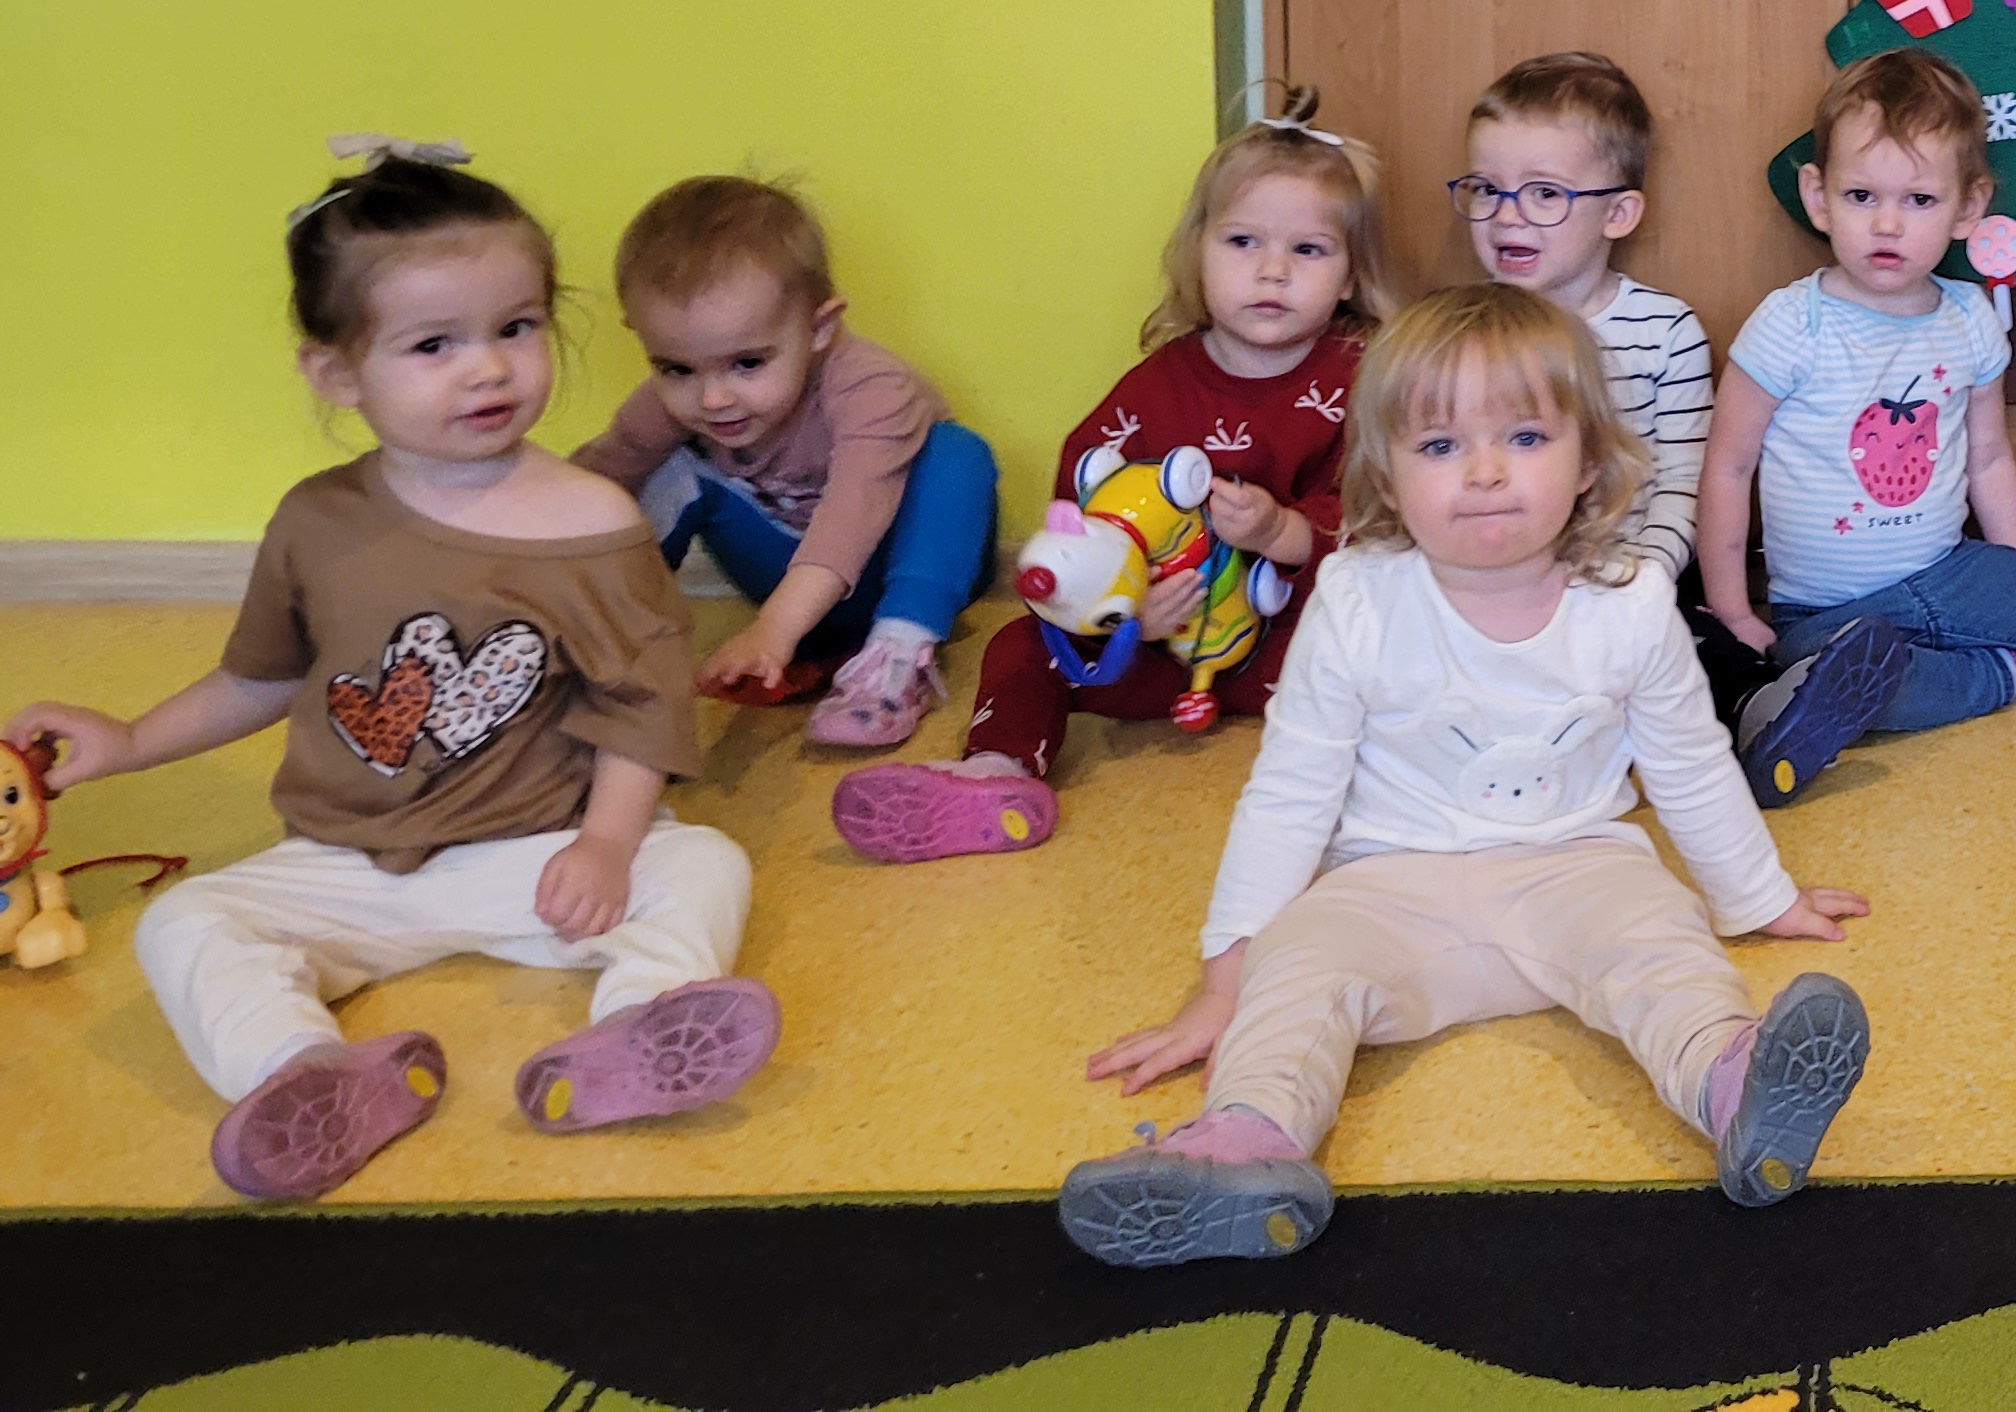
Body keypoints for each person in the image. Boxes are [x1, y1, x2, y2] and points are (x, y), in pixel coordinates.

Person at [7, 141, 775, 1200]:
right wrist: (132, 740)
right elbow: (266, 677)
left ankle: (637, 1031)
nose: (489, 368)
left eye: (517, 327)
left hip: (542, 850)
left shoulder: (592, 522)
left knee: (704, 866)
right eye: (433, 344)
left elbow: (640, 706)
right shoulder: (316, 522)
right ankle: (308, 1075)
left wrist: (605, 844)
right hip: (353, 863)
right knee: (186, 921)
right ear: (336, 372)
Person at [1061, 285, 1872, 1265]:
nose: (1486, 472)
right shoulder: (1359, 598)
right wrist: (1224, 976)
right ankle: (1245, 1146)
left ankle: (1736, 1088)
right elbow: (1291, 791)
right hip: (1386, 884)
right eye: (1442, 446)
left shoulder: (1629, 599)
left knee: (1663, 940)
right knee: (1300, 965)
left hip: (1576, 867)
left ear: (1589, 460)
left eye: (1525, 438)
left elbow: (1689, 760)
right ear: (1386, 475)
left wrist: (1759, 896)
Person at [830, 91, 1400, 861]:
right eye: (1242, 241)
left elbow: (1388, 513)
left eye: (1308, 250)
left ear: (1350, 275)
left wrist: (1286, 531)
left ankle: (1407, 787)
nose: (1272, 270)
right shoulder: (1157, 386)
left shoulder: (1361, 378)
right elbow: (1081, 517)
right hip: (1159, 645)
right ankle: (996, 773)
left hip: (1292, 642)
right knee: (1022, 647)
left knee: (1397, 657)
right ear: (1198, 253)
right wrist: (1128, 612)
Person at [1695, 49, 2016, 809]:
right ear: (1819, 197)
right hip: (1827, 615)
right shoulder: (1791, 325)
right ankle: (2014, 673)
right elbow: (1727, 468)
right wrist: (1732, 611)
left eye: (1919, 200)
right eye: (1861, 195)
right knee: (1850, 682)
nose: (1887, 224)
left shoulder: (1968, 319)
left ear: (1967, 206)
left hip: (1953, 572)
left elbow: (1989, 460)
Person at [570, 175, 997, 746]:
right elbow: (594, 477)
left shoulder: (871, 386)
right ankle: (596, 650)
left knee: (956, 454)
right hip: (782, 577)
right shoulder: (674, 405)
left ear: (819, 328)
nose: (713, 398)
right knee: (657, 476)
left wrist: (772, 629)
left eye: (747, 363)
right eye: (676, 368)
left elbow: (854, 513)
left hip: (902, 572)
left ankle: (895, 661)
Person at [1448, 53, 1764, 717]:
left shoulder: (1667, 331)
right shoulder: (1462, 336)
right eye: (1486, 189)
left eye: (1544, 193)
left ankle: (1761, 712)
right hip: (1502, 584)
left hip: (1634, 578)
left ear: (1618, 213)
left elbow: (1684, 481)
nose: (1506, 217)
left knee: (1703, 658)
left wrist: (1645, 574)